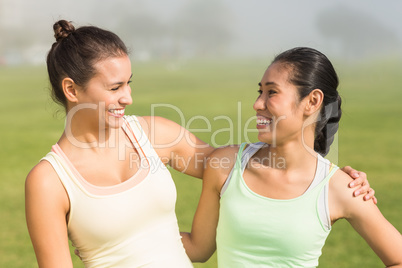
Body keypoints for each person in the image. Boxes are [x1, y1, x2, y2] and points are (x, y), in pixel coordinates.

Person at [25, 20, 373, 268]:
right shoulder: (49, 181)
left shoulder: (152, 134)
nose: (128, 98)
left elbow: (239, 167)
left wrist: (330, 179)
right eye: (115, 88)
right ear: (72, 90)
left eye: (129, 83)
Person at [181, 47, 402, 267]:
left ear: (313, 101)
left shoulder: (340, 187)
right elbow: (198, 248)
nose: (257, 104)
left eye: (272, 92)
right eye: (260, 92)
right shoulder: (227, 165)